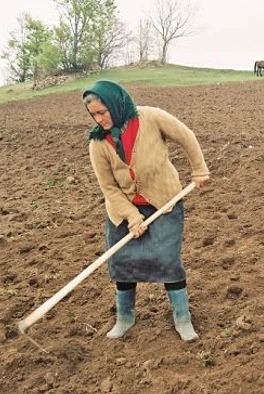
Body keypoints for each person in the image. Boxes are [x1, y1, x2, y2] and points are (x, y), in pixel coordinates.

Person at [83, 80, 210, 342]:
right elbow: (108, 187)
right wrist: (131, 216)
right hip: (122, 208)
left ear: (116, 105)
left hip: (163, 200)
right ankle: (125, 317)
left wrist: (199, 169)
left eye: (102, 112)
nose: (99, 119)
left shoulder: (151, 117)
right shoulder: (98, 144)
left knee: (167, 259)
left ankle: (182, 317)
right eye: (94, 114)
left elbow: (185, 136)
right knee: (122, 260)